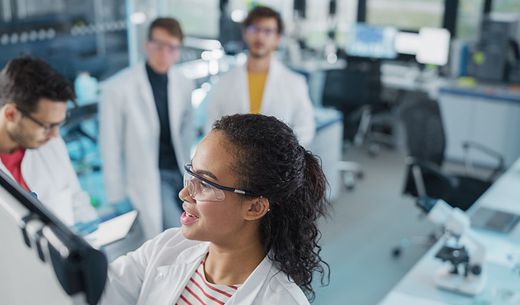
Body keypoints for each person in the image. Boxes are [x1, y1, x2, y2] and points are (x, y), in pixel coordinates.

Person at [100, 114, 330, 305]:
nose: (184, 194)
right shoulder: (168, 247)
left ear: (255, 207)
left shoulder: (281, 300)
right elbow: (99, 290)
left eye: (206, 184)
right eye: (192, 174)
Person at [99, 17, 194, 239]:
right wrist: (116, 195)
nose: (163, 53)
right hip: (147, 177)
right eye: (158, 45)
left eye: (171, 47)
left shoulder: (184, 82)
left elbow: (186, 130)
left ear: (178, 51)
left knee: (194, 230)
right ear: (146, 45)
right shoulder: (118, 88)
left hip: (179, 172)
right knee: (179, 235)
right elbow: (109, 145)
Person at [205, 6, 315, 147]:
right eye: (254, 29)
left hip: (278, 165)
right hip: (232, 164)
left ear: (277, 39)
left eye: (268, 31)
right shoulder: (224, 82)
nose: (260, 36)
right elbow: (211, 127)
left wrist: (282, 158)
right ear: (245, 33)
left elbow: (305, 130)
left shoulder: (295, 83)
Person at [0, 56, 84, 225]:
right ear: (11, 114)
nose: (55, 135)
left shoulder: (51, 144)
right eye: (47, 125)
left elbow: (78, 202)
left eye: (59, 123)